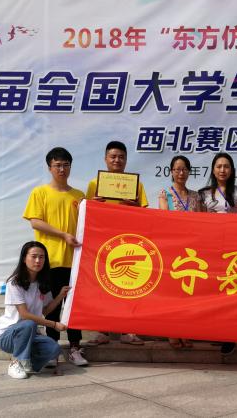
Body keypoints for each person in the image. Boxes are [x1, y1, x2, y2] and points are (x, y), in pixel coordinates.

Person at [22, 147, 88, 366]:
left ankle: (75, 348)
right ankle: (52, 350)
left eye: (66, 165)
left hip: (74, 261)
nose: (62, 169)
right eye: (57, 165)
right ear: (49, 167)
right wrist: (63, 235)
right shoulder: (39, 192)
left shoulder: (79, 196)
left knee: (74, 307)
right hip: (49, 261)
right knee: (52, 307)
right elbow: (35, 222)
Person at [85, 141, 147, 345]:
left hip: (128, 244)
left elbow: (145, 214)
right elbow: (85, 213)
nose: (117, 160)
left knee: (128, 287)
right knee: (102, 288)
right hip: (103, 244)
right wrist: (93, 204)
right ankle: (102, 330)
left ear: (126, 160)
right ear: (105, 159)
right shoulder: (94, 184)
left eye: (121, 157)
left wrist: (135, 207)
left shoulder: (136, 185)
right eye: (113, 156)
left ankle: (128, 330)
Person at [0, 241, 70, 379]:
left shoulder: (43, 283)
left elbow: (45, 311)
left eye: (41, 257)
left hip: (31, 334)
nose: (38, 261)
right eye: (34, 256)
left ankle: (27, 364)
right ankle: (16, 362)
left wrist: (60, 296)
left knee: (54, 348)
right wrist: (54, 324)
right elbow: (24, 315)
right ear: (24, 258)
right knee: (28, 323)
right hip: (8, 336)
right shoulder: (14, 282)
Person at [199, 152, 237, 355]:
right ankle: (214, 330)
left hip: (233, 248)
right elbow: (200, 222)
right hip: (211, 248)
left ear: (232, 170)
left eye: (226, 166)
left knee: (231, 290)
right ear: (213, 169)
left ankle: (230, 335)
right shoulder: (204, 194)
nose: (222, 170)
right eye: (219, 166)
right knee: (213, 290)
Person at [158, 155, 202, 349]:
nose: (181, 173)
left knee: (189, 293)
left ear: (189, 172)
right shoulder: (164, 193)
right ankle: (172, 331)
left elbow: (202, 222)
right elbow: (163, 220)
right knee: (173, 293)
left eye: (184, 169)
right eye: (177, 169)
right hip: (173, 250)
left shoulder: (195, 196)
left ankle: (186, 330)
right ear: (171, 172)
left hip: (192, 251)